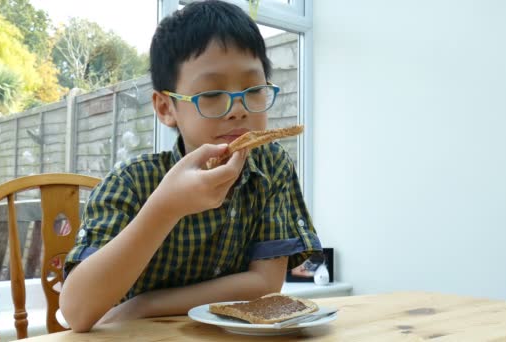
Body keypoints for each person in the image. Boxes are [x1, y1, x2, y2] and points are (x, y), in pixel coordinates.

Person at [59, 0, 321, 332]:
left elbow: (266, 283)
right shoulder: (131, 183)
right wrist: (165, 208)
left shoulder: (272, 167)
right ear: (167, 108)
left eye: (254, 89)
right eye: (212, 93)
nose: (238, 108)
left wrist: (144, 304)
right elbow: (77, 311)